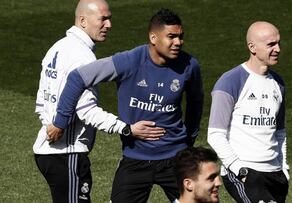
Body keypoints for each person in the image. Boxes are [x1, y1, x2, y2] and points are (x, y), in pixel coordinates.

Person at [46, 8, 204, 203]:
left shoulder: (190, 65)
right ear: (153, 38)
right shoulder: (129, 61)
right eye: (171, 37)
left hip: (175, 158)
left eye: (181, 36)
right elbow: (77, 77)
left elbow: (196, 102)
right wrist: (60, 122)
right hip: (134, 159)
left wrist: (188, 141)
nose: (178, 42)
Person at [32, 0, 147, 202]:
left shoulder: (57, 48)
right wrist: (126, 129)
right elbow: (87, 111)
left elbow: (42, 99)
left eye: (109, 19)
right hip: (67, 155)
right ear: (83, 21)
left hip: (48, 150)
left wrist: (49, 125)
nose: (109, 25)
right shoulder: (83, 57)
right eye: (103, 19)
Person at [207, 21, 290, 203]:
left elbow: (279, 132)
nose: (277, 49)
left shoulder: (278, 83)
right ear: (252, 47)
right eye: (271, 44)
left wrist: (284, 168)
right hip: (245, 173)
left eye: (278, 43)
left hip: (275, 175)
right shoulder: (230, 82)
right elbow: (215, 134)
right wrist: (240, 170)